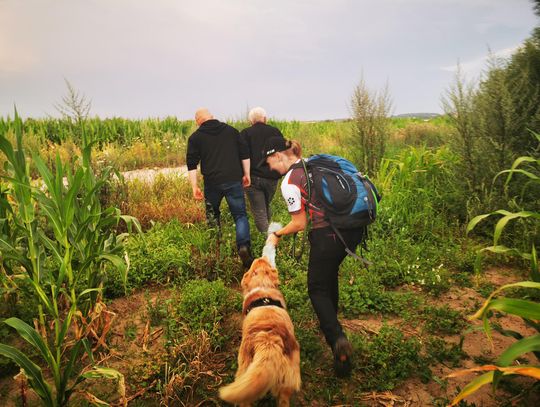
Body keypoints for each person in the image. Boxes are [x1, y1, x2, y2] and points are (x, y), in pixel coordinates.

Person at [263, 137, 364, 378]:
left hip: (328, 235)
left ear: (279, 156)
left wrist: (277, 234)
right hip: (354, 229)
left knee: (316, 288)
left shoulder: (289, 181)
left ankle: (337, 340)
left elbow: (299, 223)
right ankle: (332, 318)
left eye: (269, 163)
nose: (270, 169)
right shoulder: (312, 163)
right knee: (328, 276)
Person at [186, 108, 253, 268]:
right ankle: (243, 247)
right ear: (212, 117)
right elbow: (245, 153)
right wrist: (247, 174)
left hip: (212, 183)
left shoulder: (196, 137)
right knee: (240, 216)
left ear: (198, 122)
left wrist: (194, 186)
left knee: (212, 214)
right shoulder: (231, 131)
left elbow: (192, 164)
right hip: (233, 179)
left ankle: (217, 250)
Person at [240, 107, 285, 233]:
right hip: (272, 178)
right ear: (265, 119)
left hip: (252, 178)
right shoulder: (275, 131)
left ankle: (269, 242)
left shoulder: (245, 133)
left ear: (251, 121)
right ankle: (270, 236)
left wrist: (242, 174)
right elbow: (284, 153)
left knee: (260, 210)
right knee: (264, 206)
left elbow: (241, 155)